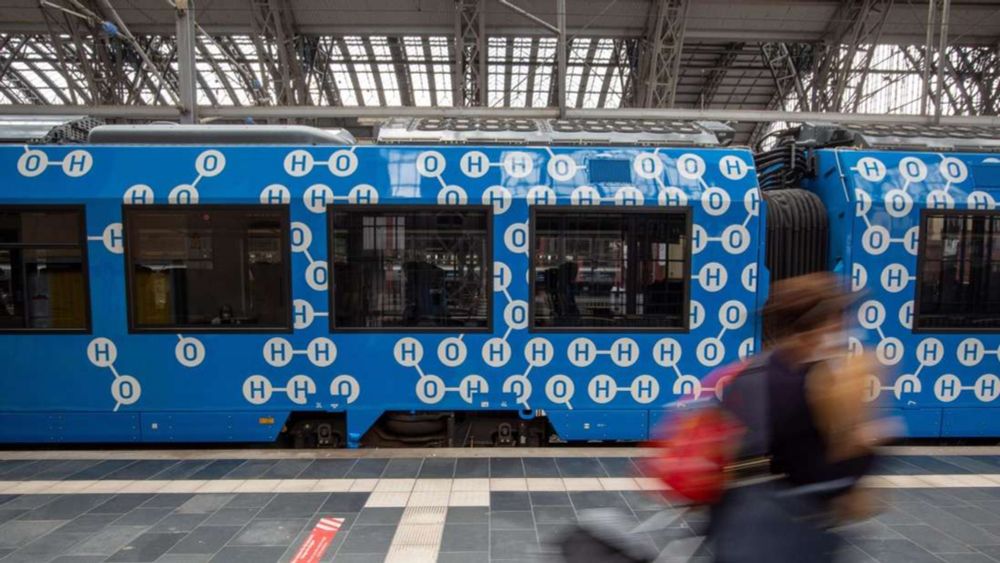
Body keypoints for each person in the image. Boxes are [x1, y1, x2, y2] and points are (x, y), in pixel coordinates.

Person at [709, 272, 889, 563]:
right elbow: (819, 478)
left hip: (734, 528)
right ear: (814, 328)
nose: (844, 328)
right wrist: (865, 441)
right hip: (783, 542)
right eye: (837, 320)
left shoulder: (750, 372)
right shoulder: (806, 386)